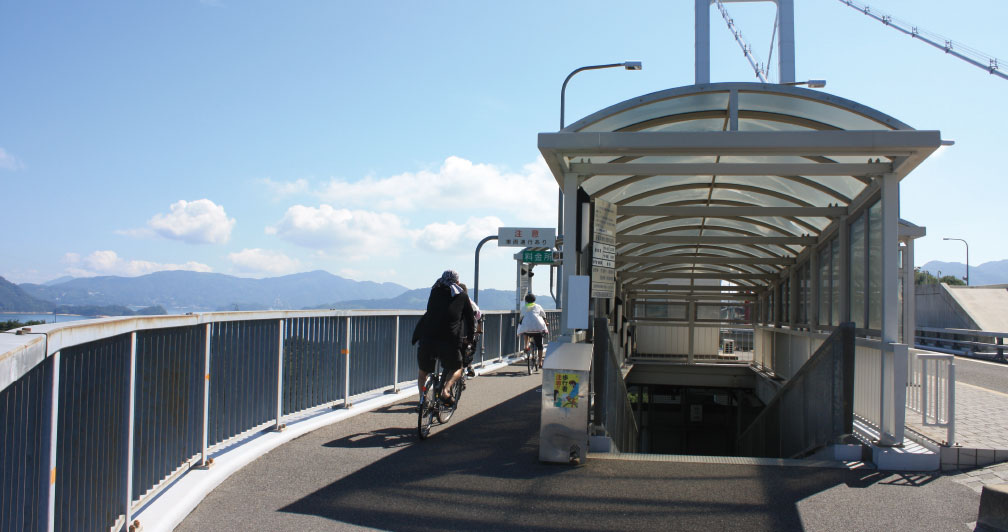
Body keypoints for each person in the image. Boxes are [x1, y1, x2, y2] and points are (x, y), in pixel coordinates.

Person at [413, 270, 475, 408]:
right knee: (457, 367)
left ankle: (422, 400)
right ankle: (445, 391)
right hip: (449, 341)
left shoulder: (434, 291)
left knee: (423, 372)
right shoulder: (463, 296)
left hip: (427, 338)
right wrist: (469, 339)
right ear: (457, 282)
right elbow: (470, 320)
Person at [517, 293, 548, 366]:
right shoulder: (538, 306)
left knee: (525, 332)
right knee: (539, 345)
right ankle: (540, 362)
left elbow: (521, 317)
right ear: (534, 300)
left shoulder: (524, 307)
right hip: (538, 328)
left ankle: (526, 346)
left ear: (526, 300)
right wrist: (546, 323)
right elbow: (543, 316)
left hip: (527, 328)